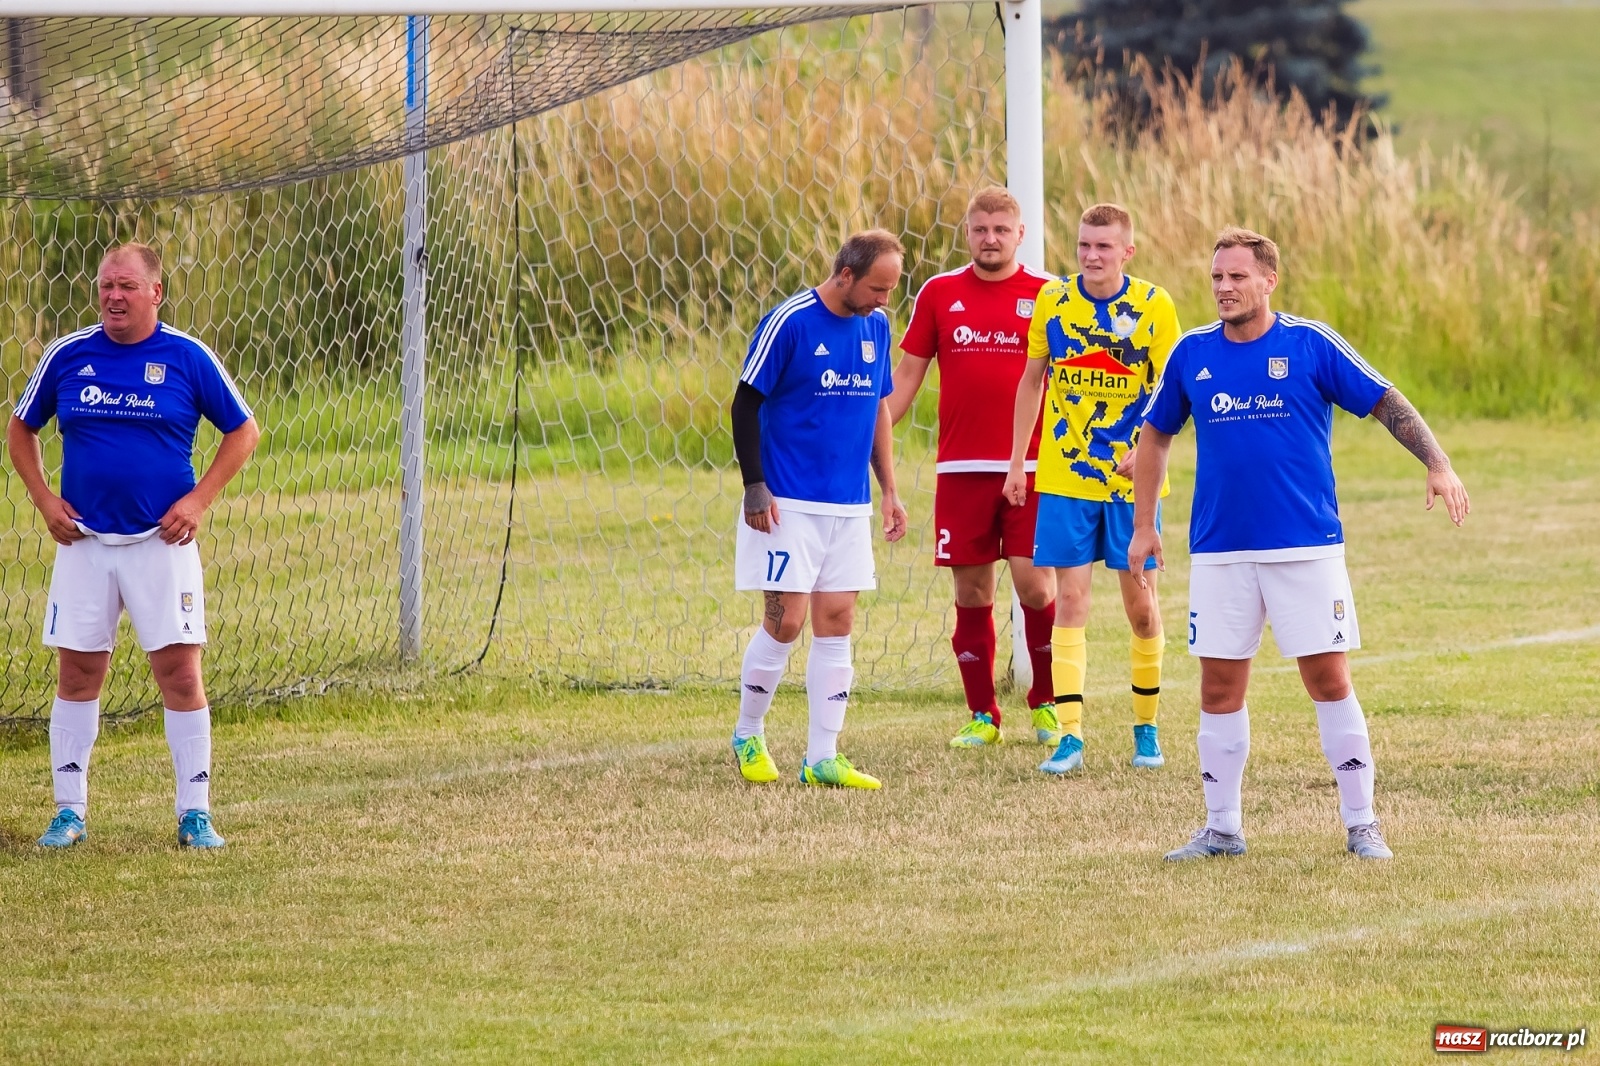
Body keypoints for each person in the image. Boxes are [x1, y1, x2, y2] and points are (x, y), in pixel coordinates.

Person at [1130, 226, 1469, 862]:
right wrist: (1145, 525)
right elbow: (1155, 437)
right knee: (1218, 689)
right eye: (1217, 277)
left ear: (1268, 280)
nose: (1224, 288)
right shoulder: (1189, 354)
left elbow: (1384, 400)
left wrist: (1438, 462)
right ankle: (1222, 828)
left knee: (1327, 677)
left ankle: (1362, 823)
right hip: (1220, 549)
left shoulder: (1309, 344)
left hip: (1305, 545)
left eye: (1236, 277)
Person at [10, 242, 261, 850]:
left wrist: (197, 501)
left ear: (156, 293)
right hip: (86, 544)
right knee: (77, 674)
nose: (113, 297)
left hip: (160, 544)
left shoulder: (186, 356)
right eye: (104, 287)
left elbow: (243, 430)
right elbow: (21, 428)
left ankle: (194, 814)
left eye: (125, 286)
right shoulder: (68, 356)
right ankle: (69, 812)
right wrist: (45, 501)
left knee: (179, 673)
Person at [1002, 204, 1181, 776]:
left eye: (1104, 246)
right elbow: (1033, 380)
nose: (1091, 255)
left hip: (1134, 485)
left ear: (1127, 251)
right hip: (1064, 476)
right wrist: (1016, 462)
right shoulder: (1054, 302)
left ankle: (1146, 729)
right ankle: (1070, 738)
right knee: (1071, 601)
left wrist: (1145, 451)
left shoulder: (1153, 307)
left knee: (1140, 608)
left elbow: (1175, 394)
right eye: (1083, 245)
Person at [728, 230, 909, 789]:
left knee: (838, 621)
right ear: (846, 275)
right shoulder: (791, 321)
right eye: (877, 289)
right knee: (787, 622)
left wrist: (890, 491)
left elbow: (879, 410)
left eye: (892, 291)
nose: (884, 301)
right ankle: (747, 733)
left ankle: (822, 757)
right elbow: (744, 402)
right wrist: (755, 486)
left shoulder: (876, 326)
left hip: (848, 506)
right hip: (787, 503)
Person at [888, 186, 1059, 749]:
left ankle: (1046, 703)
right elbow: (906, 379)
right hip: (960, 468)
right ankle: (983, 714)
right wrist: (870, 432)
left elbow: (1075, 380)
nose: (990, 239)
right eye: (980, 229)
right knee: (972, 592)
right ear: (967, 233)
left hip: (1033, 466)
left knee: (1035, 585)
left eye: (1001, 230)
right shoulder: (940, 293)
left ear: (1020, 235)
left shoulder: (1050, 294)